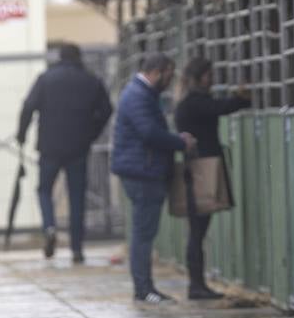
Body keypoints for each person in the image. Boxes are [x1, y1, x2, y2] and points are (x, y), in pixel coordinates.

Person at [17, 43, 113, 264]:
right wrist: (91, 133)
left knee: (44, 190)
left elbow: (28, 106)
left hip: (49, 146)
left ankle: (50, 227)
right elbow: (107, 109)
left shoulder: (46, 79)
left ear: (59, 57)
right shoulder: (91, 80)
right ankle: (77, 249)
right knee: (77, 197)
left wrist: (22, 135)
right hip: (78, 147)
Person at [111, 52, 195, 304]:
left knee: (144, 232)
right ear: (156, 72)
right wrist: (179, 142)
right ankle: (143, 289)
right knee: (143, 233)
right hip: (143, 172)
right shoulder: (138, 96)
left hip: (142, 169)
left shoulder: (139, 94)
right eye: (168, 75)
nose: (170, 81)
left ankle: (144, 287)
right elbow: (149, 132)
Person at [173, 57, 250, 300]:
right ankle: (196, 286)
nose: (212, 79)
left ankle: (197, 284)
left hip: (197, 168)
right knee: (198, 230)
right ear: (198, 77)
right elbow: (220, 107)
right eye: (208, 74)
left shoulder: (188, 101)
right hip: (201, 170)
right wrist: (242, 98)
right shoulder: (194, 102)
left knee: (197, 230)